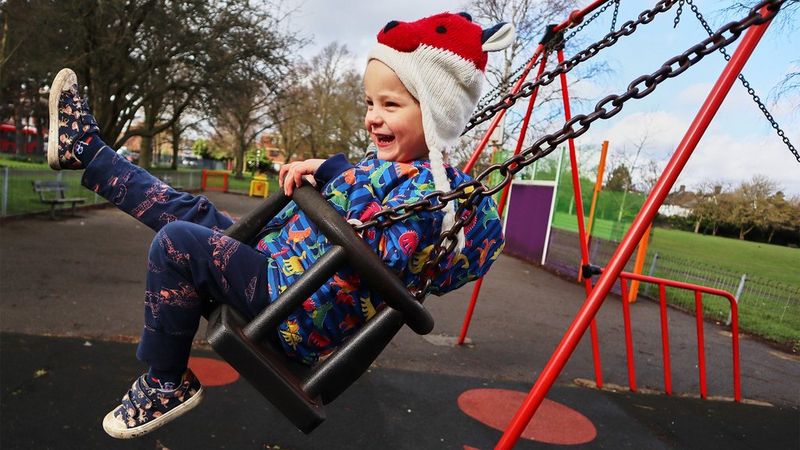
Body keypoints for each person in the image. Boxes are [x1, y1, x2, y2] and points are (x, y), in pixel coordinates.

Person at [47, 12, 514, 439]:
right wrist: (332, 172)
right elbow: (364, 190)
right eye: (369, 102)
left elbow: (375, 242)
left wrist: (335, 173)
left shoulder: (435, 200)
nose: (373, 117)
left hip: (294, 310)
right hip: (277, 268)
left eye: (390, 105)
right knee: (192, 212)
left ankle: (164, 383)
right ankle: (86, 150)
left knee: (179, 244)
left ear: (435, 115)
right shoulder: (388, 170)